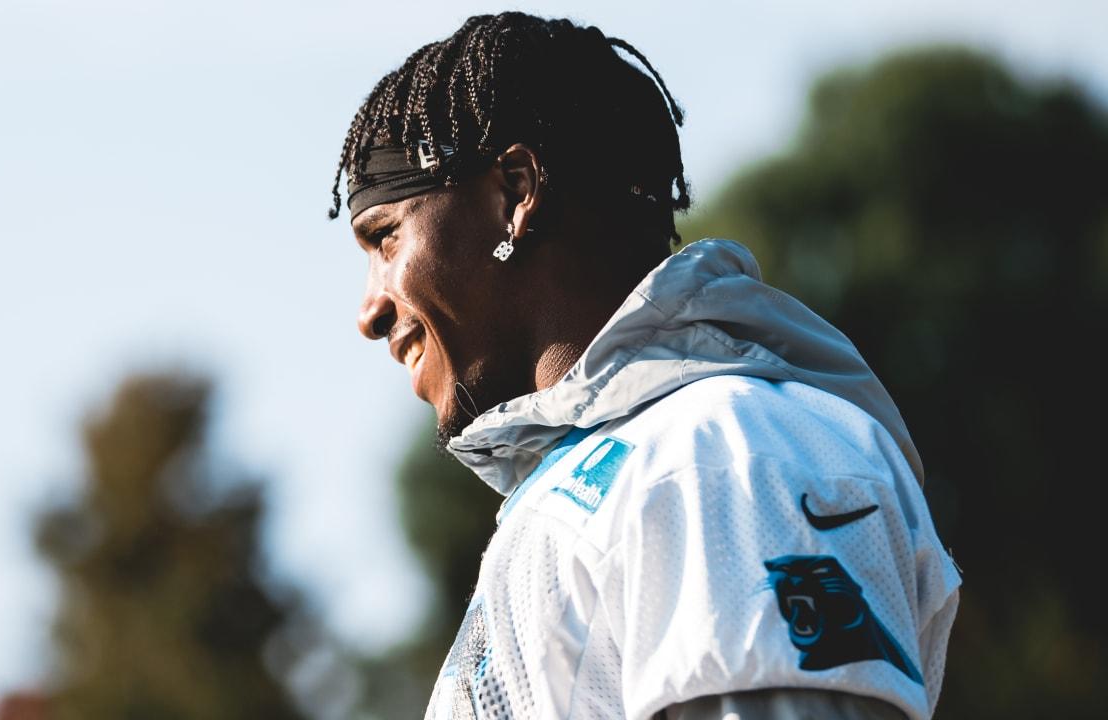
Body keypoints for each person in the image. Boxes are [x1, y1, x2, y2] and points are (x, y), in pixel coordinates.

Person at [329, 12, 960, 720]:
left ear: (514, 192)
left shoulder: (720, 453)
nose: (369, 310)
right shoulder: (633, 468)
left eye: (386, 238)